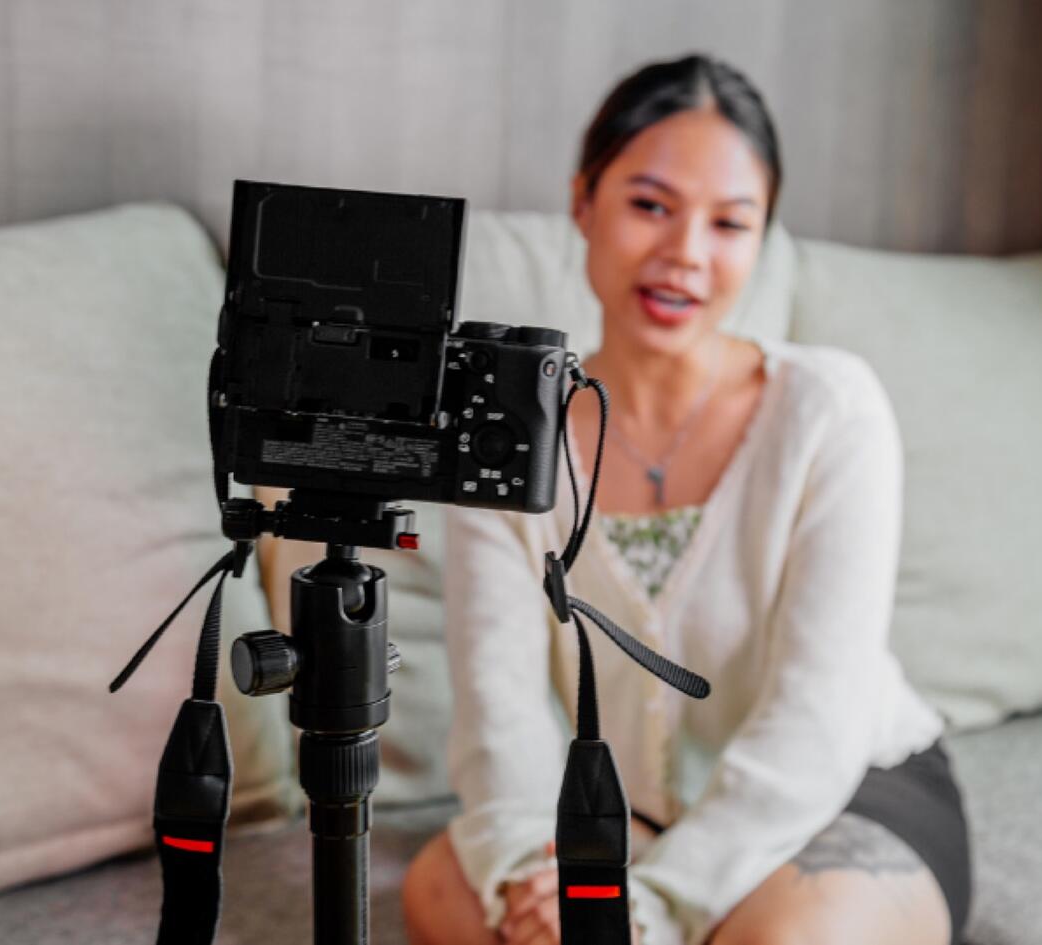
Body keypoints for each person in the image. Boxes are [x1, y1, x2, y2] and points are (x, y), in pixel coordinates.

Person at [402, 54, 971, 945]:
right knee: (442, 893)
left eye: (731, 224)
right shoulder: (507, 431)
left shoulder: (830, 409)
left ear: (761, 242)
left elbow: (814, 720)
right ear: (583, 201)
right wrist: (529, 880)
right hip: (618, 805)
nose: (686, 256)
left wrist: (650, 904)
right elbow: (498, 709)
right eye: (649, 205)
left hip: (841, 787)